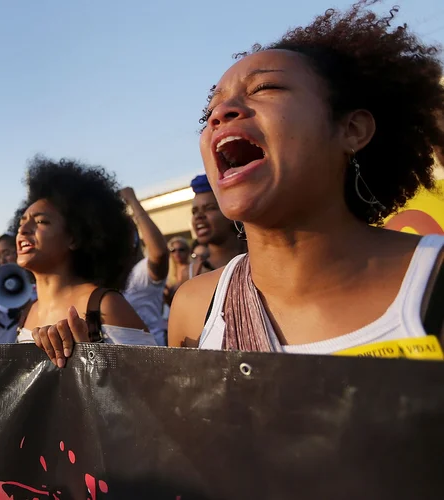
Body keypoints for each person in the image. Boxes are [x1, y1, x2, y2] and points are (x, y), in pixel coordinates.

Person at [169, 1, 444, 354]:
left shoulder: (434, 281)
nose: (220, 113)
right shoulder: (194, 308)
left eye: (266, 88)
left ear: (352, 130)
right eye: (211, 110)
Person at [13, 156, 155, 367]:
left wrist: (89, 359)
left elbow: (151, 384)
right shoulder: (27, 313)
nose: (23, 230)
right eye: (21, 222)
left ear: (75, 237)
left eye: (41, 221)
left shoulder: (106, 305)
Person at [119, 187, 170, 346]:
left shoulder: (141, 271)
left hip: (151, 358)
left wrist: (132, 201)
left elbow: (159, 253)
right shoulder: (100, 276)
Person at [189, 174, 244, 271]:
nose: (198, 216)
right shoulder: (192, 273)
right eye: (194, 212)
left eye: (209, 208)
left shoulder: (260, 259)